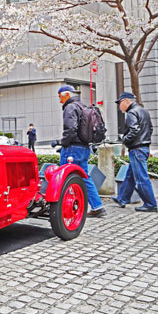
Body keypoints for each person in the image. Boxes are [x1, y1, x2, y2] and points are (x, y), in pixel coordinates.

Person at [54, 85, 106, 218]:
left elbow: (70, 129)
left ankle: (65, 209)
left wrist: (63, 143)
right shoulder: (83, 106)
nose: (60, 101)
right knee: (84, 177)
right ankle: (98, 207)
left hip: (72, 148)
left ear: (66, 95)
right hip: (84, 147)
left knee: (65, 179)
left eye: (60, 97)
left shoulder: (70, 107)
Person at [111, 92, 158, 212]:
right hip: (143, 147)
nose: (119, 106)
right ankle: (122, 199)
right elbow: (150, 129)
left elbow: (134, 130)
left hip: (137, 148)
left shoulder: (131, 112)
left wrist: (124, 141)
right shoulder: (143, 111)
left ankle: (150, 204)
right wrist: (144, 139)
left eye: (120, 103)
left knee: (141, 178)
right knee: (130, 176)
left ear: (126, 101)